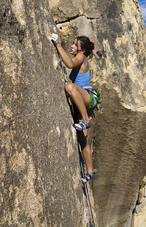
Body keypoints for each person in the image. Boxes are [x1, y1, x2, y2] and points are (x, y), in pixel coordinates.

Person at [50, 33, 96, 184]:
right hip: (81, 102)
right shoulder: (79, 57)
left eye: (75, 45)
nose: (72, 46)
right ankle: (90, 172)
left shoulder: (81, 57)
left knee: (69, 87)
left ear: (81, 50)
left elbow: (69, 64)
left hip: (86, 96)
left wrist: (57, 44)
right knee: (83, 139)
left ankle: (86, 120)